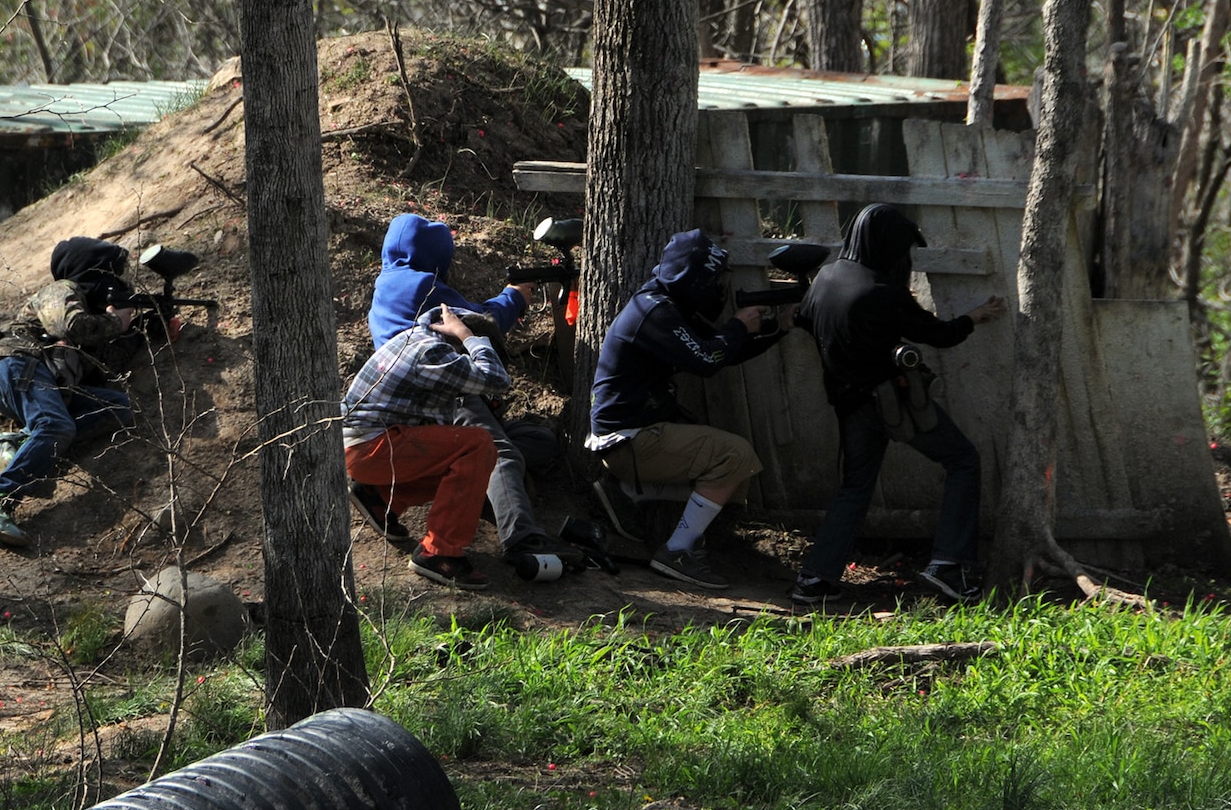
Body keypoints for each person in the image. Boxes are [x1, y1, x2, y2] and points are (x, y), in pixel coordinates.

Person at [794, 203, 1006, 605]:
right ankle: (948, 566)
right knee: (963, 460)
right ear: (888, 246)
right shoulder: (882, 292)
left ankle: (815, 579)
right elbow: (939, 334)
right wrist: (974, 316)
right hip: (892, 402)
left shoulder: (826, 278)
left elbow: (804, 318)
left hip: (850, 404)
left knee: (855, 488)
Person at [584, 230, 785, 591]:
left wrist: (780, 326)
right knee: (735, 456)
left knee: (736, 476)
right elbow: (708, 359)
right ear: (693, 280)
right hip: (629, 441)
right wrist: (738, 325)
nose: (717, 290)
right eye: (713, 281)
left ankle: (633, 495)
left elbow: (722, 351)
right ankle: (677, 550)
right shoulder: (655, 312)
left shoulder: (664, 304)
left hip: (632, 437)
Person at [366, 213, 560, 558]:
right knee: (500, 454)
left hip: (423, 397)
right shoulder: (418, 285)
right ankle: (522, 539)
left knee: (539, 441)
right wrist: (515, 297)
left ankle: (383, 496)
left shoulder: (388, 284)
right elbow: (481, 322)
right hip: (445, 389)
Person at [0, 237, 141, 548]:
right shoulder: (61, 290)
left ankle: (17, 442)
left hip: (38, 380)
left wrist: (140, 332)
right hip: (16, 364)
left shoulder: (88, 310)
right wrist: (115, 322)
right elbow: (71, 326)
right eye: (108, 274)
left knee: (118, 409)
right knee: (55, 425)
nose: (114, 282)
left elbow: (103, 368)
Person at [343, 304, 510, 588]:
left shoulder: (416, 339)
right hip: (371, 449)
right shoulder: (434, 352)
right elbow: (496, 379)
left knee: (461, 459)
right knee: (479, 446)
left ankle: (380, 497)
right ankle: (438, 553)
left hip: (366, 446)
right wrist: (469, 337)